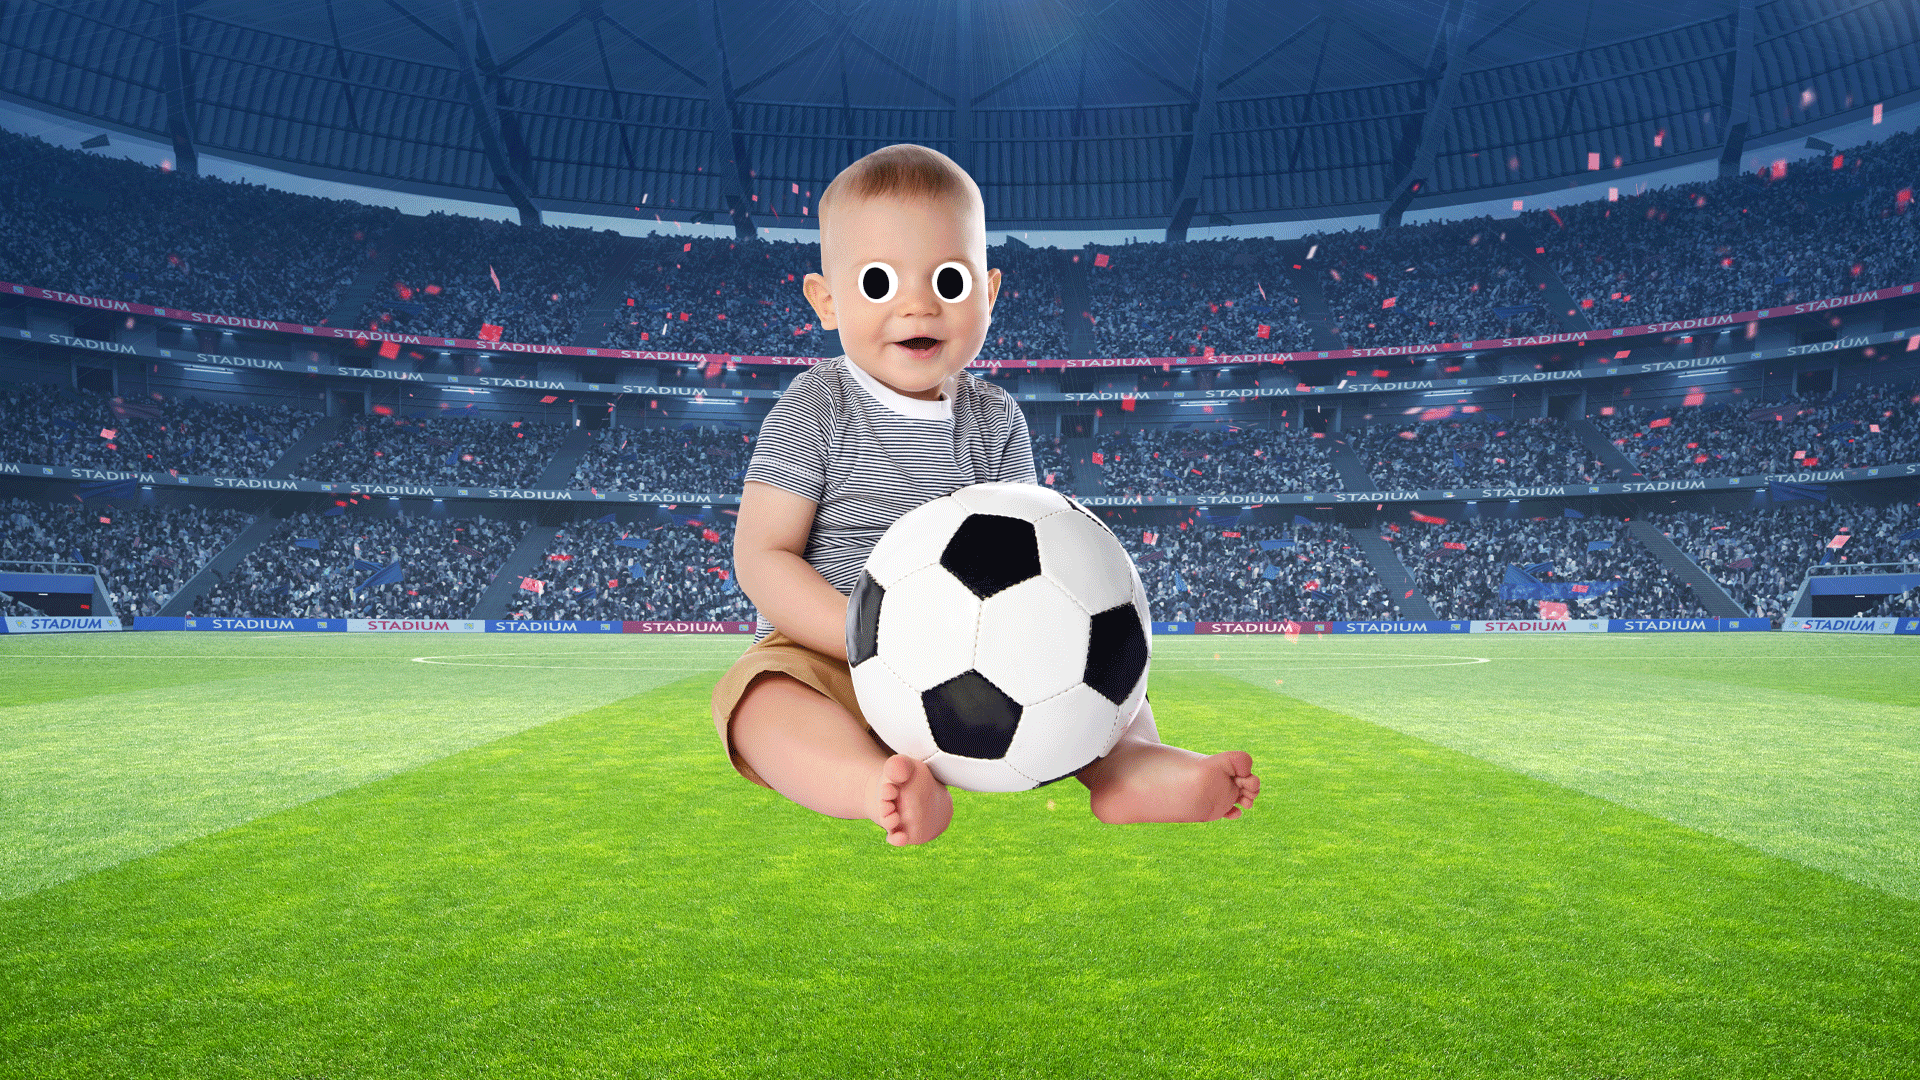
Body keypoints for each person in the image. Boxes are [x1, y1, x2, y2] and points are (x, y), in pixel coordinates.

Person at [709, 144, 1259, 846]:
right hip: (830, 653)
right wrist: (857, 632)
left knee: (1094, 643)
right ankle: (868, 783)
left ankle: (1127, 766)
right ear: (826, 300)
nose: (917, 303)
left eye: (948, 280)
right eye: (879, 281)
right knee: (757, 701)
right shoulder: (816, 403)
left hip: (977, 654)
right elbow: (762, 555)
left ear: (989, 293)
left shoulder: (995, 415)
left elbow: (1038, 556)